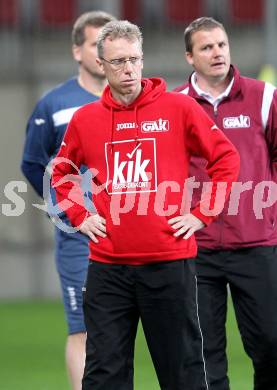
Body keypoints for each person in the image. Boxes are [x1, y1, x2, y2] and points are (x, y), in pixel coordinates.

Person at [52, 20, 239, 390]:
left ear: (143, 59)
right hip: (107, 270)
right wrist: (80, 215)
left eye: (134, 59)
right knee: (104, 374)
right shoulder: (85, 119)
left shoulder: (179, 108)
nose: (128, 69)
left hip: (169, 265)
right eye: (118, 61)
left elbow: (226, 159)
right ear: (102, 65)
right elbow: (61, 172)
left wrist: (203, 214)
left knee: (183, 372)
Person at [174, 16, 277, 390]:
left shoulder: (263, 96)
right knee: (203, 351)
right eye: (206, 47)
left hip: (257, 245)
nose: (216, 53)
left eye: (221, 45)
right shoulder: (175, 105)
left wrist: (268, 210)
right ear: (189, 57)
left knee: (271, 342)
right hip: (196, 247)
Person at [21, 11, 116, 390]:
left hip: (133, 233)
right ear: (78, 51)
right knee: (82, 328)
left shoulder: (135, 99)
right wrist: (64, 210)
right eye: (95, 44)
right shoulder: (54, 105)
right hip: (81, 238)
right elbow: (33, 164)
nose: (102, 52)